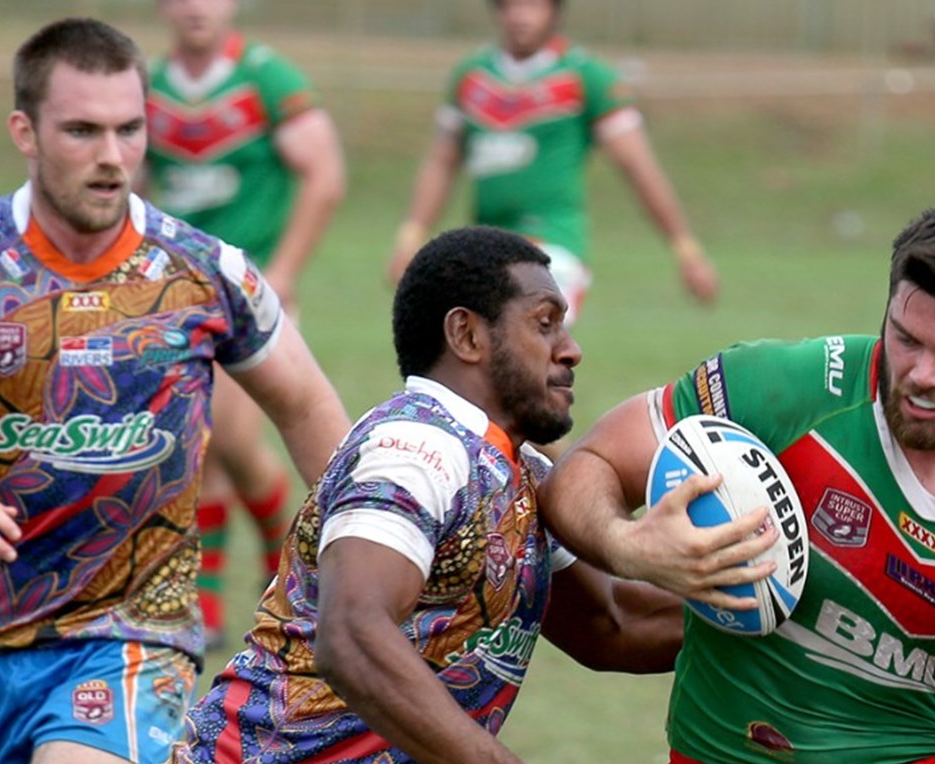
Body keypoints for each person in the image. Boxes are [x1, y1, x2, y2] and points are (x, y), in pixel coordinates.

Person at [0, 18, 349, 764]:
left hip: (138, 639)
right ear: (25, 133)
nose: (111, 156)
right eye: (81, 131)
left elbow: (307, 405)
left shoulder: (206, 272)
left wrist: (365, 557)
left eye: (129, 130)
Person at [542, 204, 935, 764]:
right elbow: (586, 470)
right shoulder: (784, 390)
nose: (923, 375)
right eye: (906, 339)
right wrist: (629, 546)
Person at [174, 226, 687, 763]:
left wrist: (744, 606)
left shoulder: (521, 472)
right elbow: (351, 635)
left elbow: (611, 624)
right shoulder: (415, 448)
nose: (571, 350)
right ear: (467, 335)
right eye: (545, 323)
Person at [146, 0, 347, 647]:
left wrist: (283, 270)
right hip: (178, 295)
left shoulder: (268, 80)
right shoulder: (150, 87)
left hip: (252, 294)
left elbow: (325, 176)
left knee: (230, 436)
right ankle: (205, 610)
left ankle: (279, 552)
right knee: (196, 445)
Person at [384, 0, 717, 327]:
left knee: (519, 334)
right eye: (511, 4)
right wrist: (410, 237)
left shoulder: (587, 76)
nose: (521, 15)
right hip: (485, 245)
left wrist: (686, 251)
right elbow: (441, 163)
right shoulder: (471, 76)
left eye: (534, 4)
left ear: (555, 9)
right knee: (472, 346)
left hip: (553, 243)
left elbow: (638, 168)